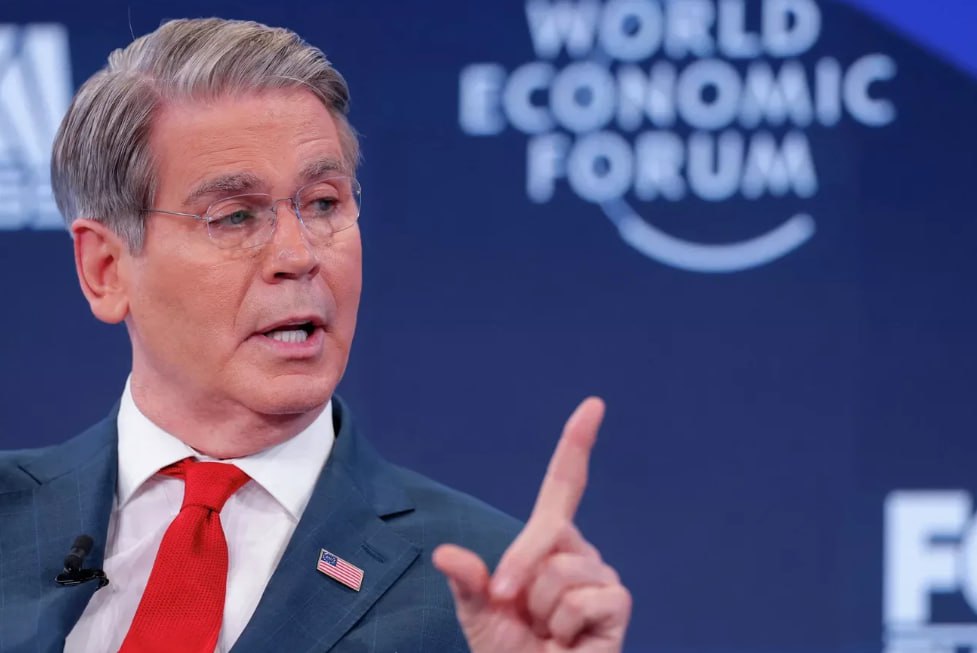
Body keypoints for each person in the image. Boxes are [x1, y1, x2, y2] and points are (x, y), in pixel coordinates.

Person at [0, 17, 631, 653]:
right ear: (106, 270)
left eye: (324, 203)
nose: (298, 254)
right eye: (235, 216)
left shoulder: (486, 595)